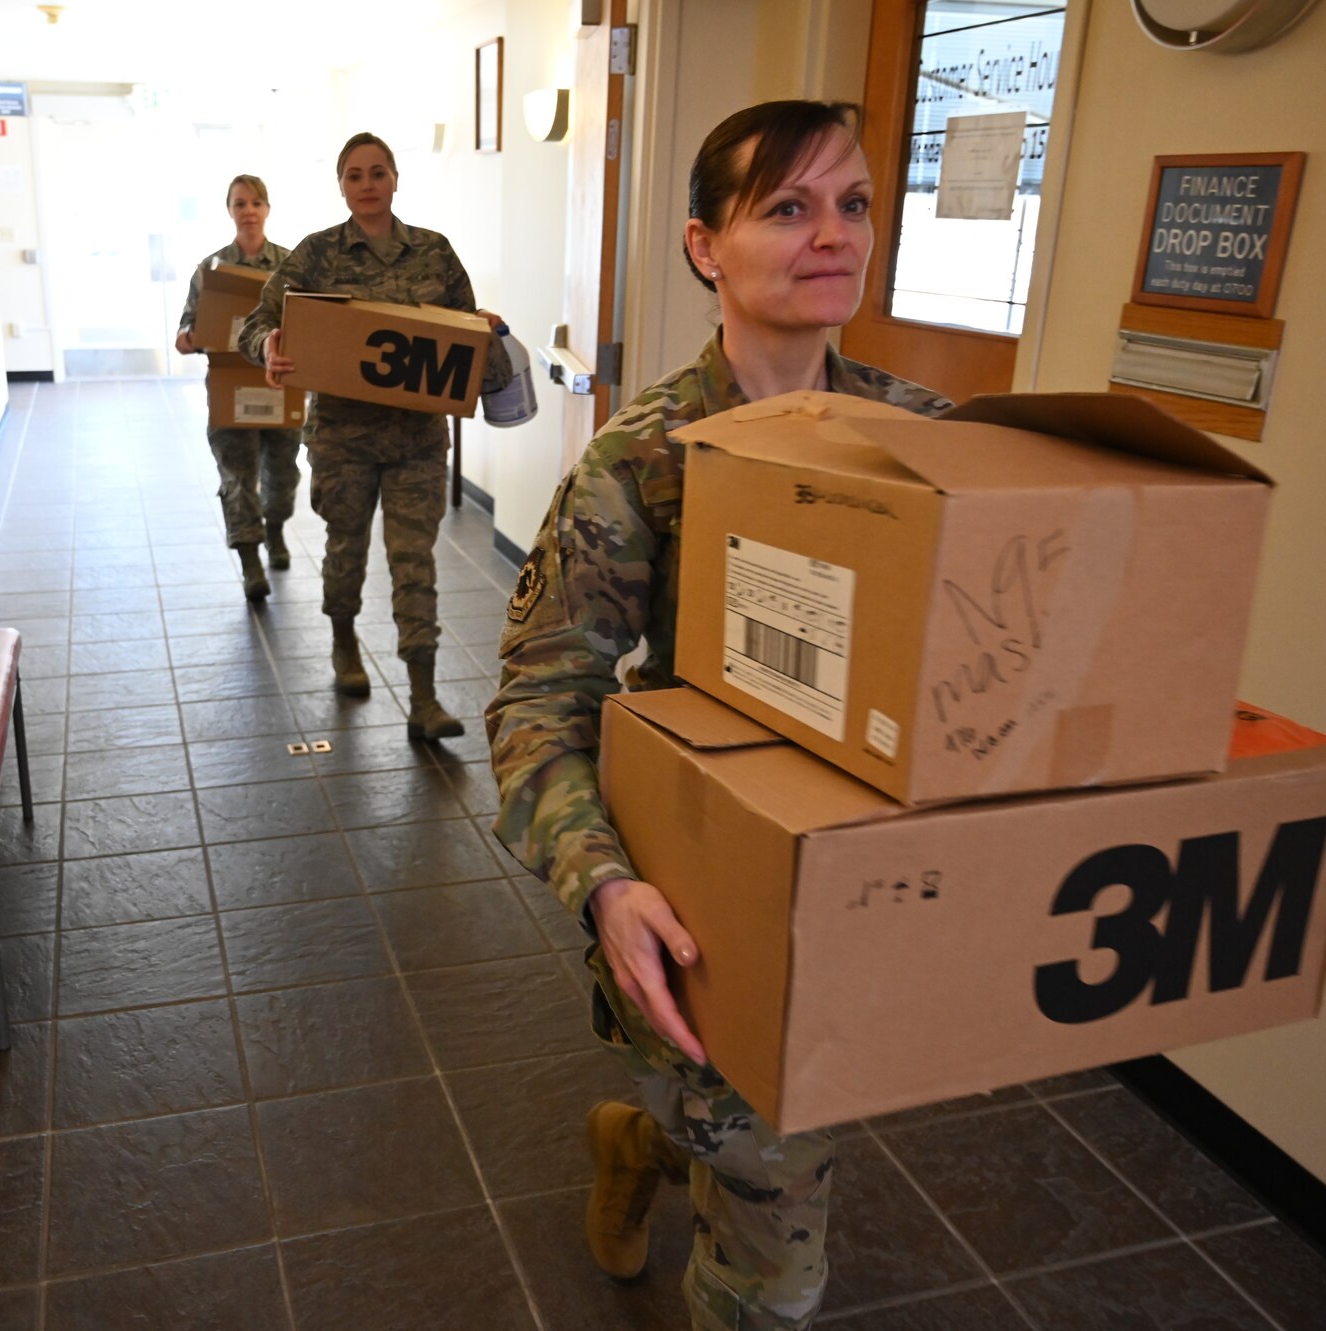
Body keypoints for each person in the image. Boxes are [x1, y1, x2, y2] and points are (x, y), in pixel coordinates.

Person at [485, 101, 952, 1331]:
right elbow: (540, 695)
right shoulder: (643, 456)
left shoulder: (918, 443)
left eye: (851, 204)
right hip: (703, 889)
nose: (832, 234)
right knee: (771, 1260)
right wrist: (601, 880)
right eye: (788, 207)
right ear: (704, 247)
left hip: (860, 878)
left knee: (738, 1126)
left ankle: (640, 1140)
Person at [239, 132, 509, 740]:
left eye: (378, 172)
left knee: (415, 564)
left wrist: (484, 327)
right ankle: (343, 639)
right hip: (342, 439)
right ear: (341, 185)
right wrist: (268, 345)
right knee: (347, 552)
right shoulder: (316, 254)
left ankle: (423, 696)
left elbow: (467, 326)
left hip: (416, 440)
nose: (368, 184)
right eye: (355, 175)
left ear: (394, 180)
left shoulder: (434, 253)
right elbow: (257, 321)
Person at [176, 174, 300, 602]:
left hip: (280, 385)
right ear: (230, 210)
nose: (249, 210)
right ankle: (250, 561)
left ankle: (277, 529)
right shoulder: (212, 271)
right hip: (230, 390)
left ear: (267, 209)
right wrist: (188, 338)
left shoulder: (291, 266)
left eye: (256, 203)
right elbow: (187, 328)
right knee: (237, 479)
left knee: (282, 476)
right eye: (240, 203)